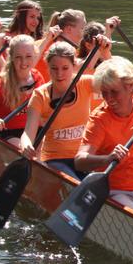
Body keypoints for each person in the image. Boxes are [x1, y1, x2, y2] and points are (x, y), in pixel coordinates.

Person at [19, 39, 110, 180]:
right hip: (55, 160)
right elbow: (27, 133)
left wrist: (105, 54)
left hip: (83, 157)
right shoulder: (39, 96)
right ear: (47, 67)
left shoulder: (85, 83)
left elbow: (115, 84)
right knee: (79, 185)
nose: (59, 74)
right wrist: (25, 145)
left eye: (65, 68)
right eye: (54, 68)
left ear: (74, 66)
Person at [74, 57, 133, 213]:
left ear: (131, 88)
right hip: (115, 191)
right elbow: (79, 161)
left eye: (114, 92)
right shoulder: (100, 119)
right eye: (105, 93)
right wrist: (107, 158)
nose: (109, 99)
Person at [0, 34, 44, 146]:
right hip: (8, 132)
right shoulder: (0, 81)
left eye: (28, 56)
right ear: (11, 57)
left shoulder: (38, 77)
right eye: (18, 57)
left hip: (33, 130)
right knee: (21, 147)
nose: (24, 62)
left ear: (35, 55)